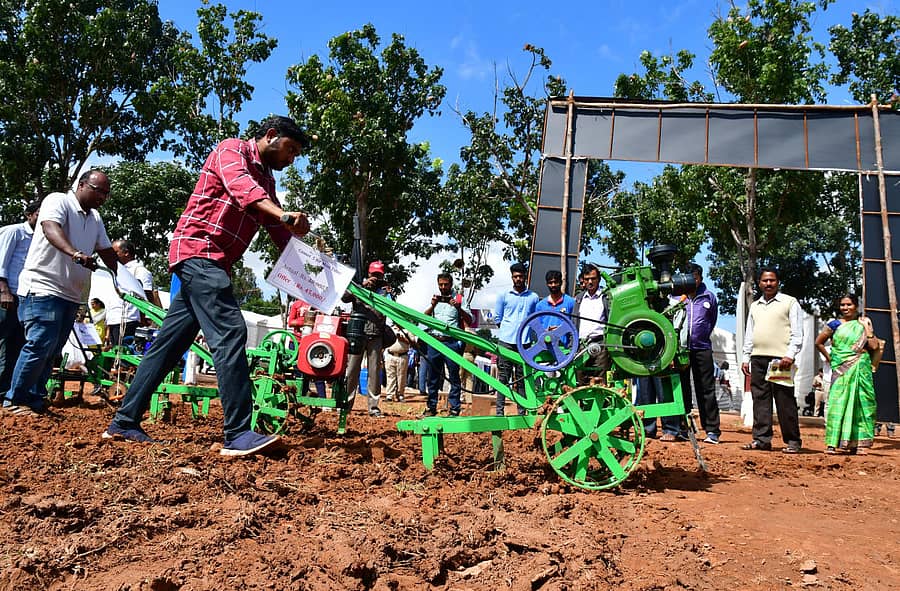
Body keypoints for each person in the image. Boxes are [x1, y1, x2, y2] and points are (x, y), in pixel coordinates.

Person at [105, 115, 311, 455]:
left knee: (169, 344)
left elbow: (279, 235)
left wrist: (323, 281)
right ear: (270, 136)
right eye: (290, 150)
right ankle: (238, 434)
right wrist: (285, 215)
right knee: (231, 331)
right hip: (199, 251)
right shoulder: (232, 151)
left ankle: (124, 421)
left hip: (213, 262)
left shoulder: (267, 181)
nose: (291, 159)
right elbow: (244, 190)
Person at [3, 171, 119, 415]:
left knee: (53, 350)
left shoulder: (95, 218)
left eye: (107, 193)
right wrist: (75, 253)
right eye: (99, 190)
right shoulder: (58, 201)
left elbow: (107, 250)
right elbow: (50, 228)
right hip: (43, 287)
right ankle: (15, 400)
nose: (103, 197)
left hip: (71, 294)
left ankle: (34, 400)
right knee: (40, 344)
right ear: (82, 185)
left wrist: (124, 276)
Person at [741, 267, 803, 453]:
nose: (768, 284)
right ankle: (761, 440)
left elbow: (798, 333)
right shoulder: (755, 306)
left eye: (772, 280)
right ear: (759, 283)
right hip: (757, 358)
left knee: (784, 401)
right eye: (765, 281)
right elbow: (749, 334)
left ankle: (792, 441)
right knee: (760, 400)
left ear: (778, 282)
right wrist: (746, 357)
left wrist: (790, 355)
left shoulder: (790, 302)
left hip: (780, 360)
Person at [814, 294, 878, 455]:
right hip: (841, 368)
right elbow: (818, 342)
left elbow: (874, 346)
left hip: (860, 368)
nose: (845, 308)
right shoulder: (834, 324)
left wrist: (867, 328)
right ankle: (833, 443)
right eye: (842, 305)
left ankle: (859, 444)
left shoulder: (863, 322)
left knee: (862, 404)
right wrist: (831, 360)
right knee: (837, 403)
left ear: (856, 306)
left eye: (849, 304)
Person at [672, 263, 721, 444]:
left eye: (695, 278)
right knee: (682, 389)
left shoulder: (709, 297)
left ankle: (712, 431)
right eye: (688, 278)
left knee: (706, 390)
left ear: (700, 278)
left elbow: (712, 320)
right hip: (682, 350)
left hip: (702, 349)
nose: (692, 281)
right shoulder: (679, 298)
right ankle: (684, 429)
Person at [0, 200, 40, 397]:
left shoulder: (40, 238)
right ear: (29, 214)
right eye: (39, 213)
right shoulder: (14, 232)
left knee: (15, 344)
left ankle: (4, 388)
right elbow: (1, 262)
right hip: (6, 295)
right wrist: (4, 290)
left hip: (23, 298)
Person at [344, 261, 391, 417]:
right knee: (351, 370)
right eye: (374, 275)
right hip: (358, 333)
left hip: (376, 334)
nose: (376, 278)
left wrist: (388, 293)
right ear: (369, 274)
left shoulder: (385, 291)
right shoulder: (358, 286)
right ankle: (346, 404)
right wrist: (363, 286)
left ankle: (373, 407)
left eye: (379, 275)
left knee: (374, 372)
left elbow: (392, 309)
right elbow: (344, 297)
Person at [421, 272, 471, 417]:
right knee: (433, 377)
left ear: (451, 284)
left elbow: (470, 319)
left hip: (452, 343)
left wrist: (458, 307)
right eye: (440, 285)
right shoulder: (435, 299)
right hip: (435, 341)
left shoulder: (459, 298)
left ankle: (455, 408)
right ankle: (431, 407)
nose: (443, 287)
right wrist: (433, 305)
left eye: (446, 284)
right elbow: (424, 318)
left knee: (454, 376)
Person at [494, 262, 539, 416]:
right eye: (515, 276)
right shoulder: (503, 296)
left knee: (522, 378)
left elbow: (534, 319)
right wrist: (508, 331)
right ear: (512, 277)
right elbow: (498, 318)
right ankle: (499, 412)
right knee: (503, 378)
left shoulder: (533, 297)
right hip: (506, 341)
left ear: (525, 276)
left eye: (520, 276)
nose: (518, 279)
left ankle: (522, 411)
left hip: (524, 343)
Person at [105, 239, 159, 349]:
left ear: (126, 253)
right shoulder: (116, 271)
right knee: (115, 354)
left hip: (128, 319)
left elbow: (147, 297)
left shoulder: (139, 271)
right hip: (114, 319)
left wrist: (146, 319)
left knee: (125, 355)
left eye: (116, 252)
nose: (112, 256)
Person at [573, 264, 610, 384]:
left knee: (600, 379)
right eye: (587, 278)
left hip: (600, 344)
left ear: (598, 279)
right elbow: (574, 323)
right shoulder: (579, 298)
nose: (590, 282)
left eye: (593, 278)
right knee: (581, 379)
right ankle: (582, 403)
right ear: (583, 280)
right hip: (582, 345)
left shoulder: (605, 297)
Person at [286, 298, 326, 398]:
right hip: (296, 342)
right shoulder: (296, 304)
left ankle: (323, 400)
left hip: (313, 343)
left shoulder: (319, 303)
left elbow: (323, 321)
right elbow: (290, 322)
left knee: (318, 370)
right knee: (298, 371)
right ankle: (299, 397)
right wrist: (306, 321)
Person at [534, 270, 576, 347]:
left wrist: (560, 330)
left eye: (556, 282)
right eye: (550, 283)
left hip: (564, 348)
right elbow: (537, 328)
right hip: (545, 347)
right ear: (547, 284)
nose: (553, 285)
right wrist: (547, 332)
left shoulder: (570, 302)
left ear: (561, 282)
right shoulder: (540, 305)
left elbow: (574, 326)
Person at [383, 326, 411, 402]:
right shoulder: (390, 329)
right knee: (390, 376)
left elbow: (412, 342)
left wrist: (403, 339)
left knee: (401, 376)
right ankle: (389, 395)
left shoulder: (408, 329)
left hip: (402, 356)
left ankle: (400, 394)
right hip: (390, 355)